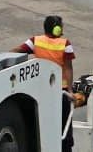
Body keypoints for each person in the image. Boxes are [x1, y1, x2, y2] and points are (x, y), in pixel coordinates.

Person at [13, 15, 76, 151]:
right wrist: (70, 91)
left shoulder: (35, 41)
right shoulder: (65, 44)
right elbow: (68, 68)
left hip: (40, 90)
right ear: (57, 29)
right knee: (64, 128)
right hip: (60, 92)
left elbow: (16, 51)